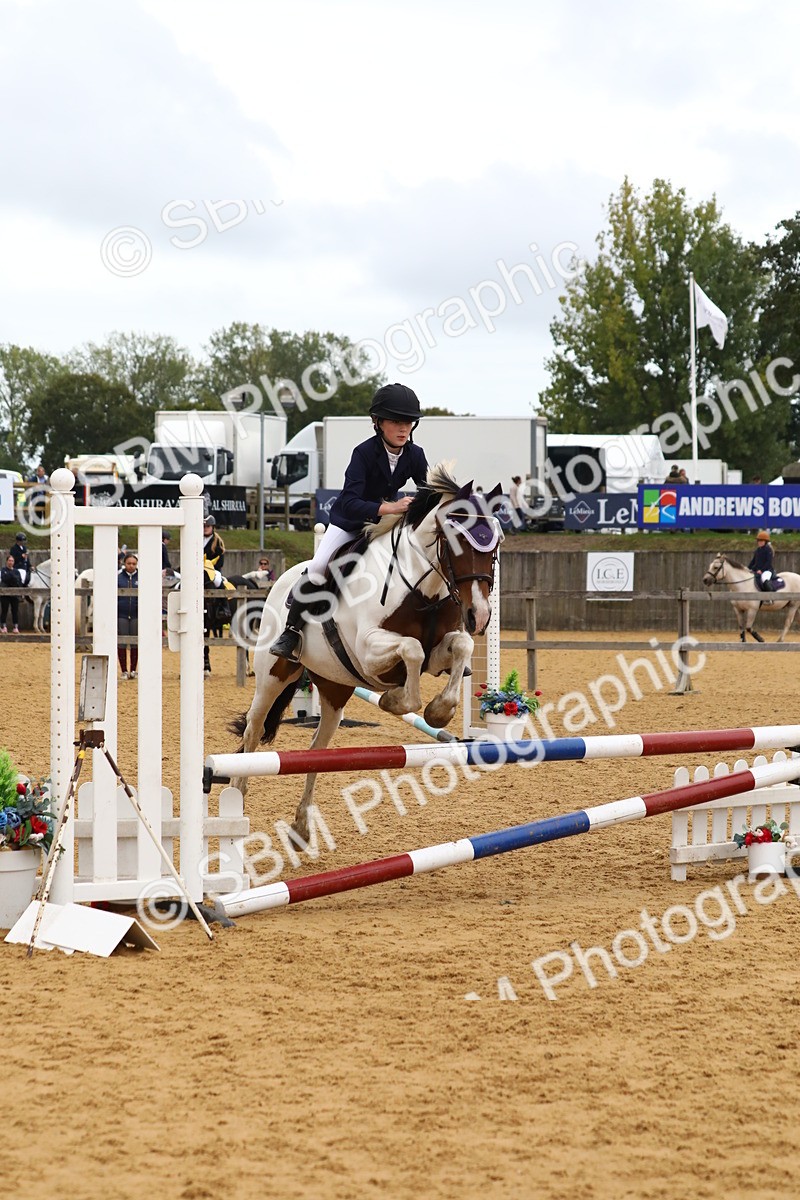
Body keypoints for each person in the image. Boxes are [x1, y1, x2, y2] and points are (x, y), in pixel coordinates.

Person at [270, 382, 429, 661]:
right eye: (395, 422)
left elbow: (427, 490)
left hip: (385, 524)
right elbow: (351, 501)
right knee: (318, 566)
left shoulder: (415, 454)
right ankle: (291, 631)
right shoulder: (363, 453)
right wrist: (390, 507)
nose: (403, 428)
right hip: (350, 521)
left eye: (408, 422)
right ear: (378, 422)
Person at [117, 552, 139, 679]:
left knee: (135, 642)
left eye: (134, 564)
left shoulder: (141, 578)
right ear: (124, 563)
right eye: (129, 563)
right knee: (122, 642)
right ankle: (124, 670)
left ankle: (133, 670)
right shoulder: (118, 578)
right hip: (122, 614)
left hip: (136, 614)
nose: (131, 566)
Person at [0, 553, 24, 633]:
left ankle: (15, 626)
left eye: (12, 561)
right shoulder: (3, 570)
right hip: (5, 594)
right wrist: (12, 577)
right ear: (7, 561)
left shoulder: (16, 571)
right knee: (4, 610)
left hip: (14, 593)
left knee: (15, 611)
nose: (11, 562)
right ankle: (3, 626)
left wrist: (20, 591)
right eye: (9, 561)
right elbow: (4, 579)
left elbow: (19, 581)